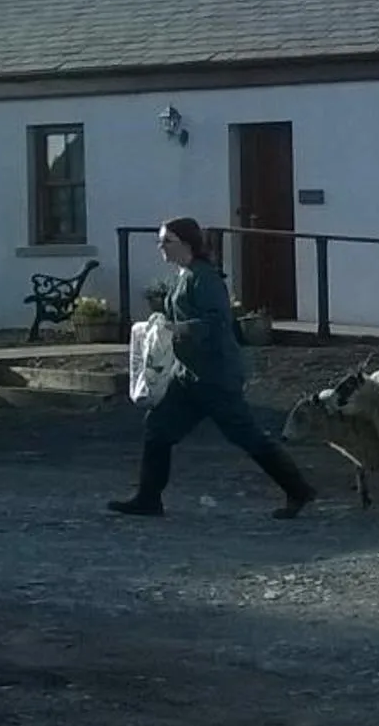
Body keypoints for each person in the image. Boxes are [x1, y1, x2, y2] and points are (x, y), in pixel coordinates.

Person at [107, 216, 319, 519]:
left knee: (247, 435)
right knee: (158, 427)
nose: (161, 247)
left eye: (167, 241)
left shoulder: (204, 278)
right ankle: (148, 498)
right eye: (160, 241)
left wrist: (179, 329)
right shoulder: (184, 275)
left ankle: (298, 489)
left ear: (187, 243)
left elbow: (217, 321)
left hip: (216, 376)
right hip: (188, 375)